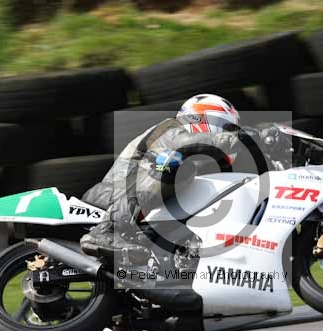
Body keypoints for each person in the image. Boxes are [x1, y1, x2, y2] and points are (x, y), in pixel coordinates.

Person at [80, 94, 250, 257]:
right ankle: (107, 231)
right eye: (223, 126)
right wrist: (236, 139)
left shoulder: (205, 168)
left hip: (141, 211)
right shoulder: (171, 128)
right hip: (111, 196)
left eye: (232, 129)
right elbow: (187, 143)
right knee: (177, 165)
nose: (227, 132)